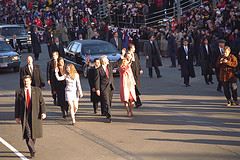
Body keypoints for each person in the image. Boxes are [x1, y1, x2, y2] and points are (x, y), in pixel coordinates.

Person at [15, 75, 46, 158]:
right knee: (28, 133)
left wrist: (43, 112)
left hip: (35, 114)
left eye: (28, 81)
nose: (26, 83)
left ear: (30, 81)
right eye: (25, 81)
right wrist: (17, 116)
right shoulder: (19, 92)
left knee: (34, 133)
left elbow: (41, 102)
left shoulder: (37, 90)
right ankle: (32, 150)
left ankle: (31, 147)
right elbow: (17, 105)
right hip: (25, 115)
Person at [95, 55, 121, 123]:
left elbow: (117, 63)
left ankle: (106, 111)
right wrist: (97, 89)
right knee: (106, 101)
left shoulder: (109, 66)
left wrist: (122, 55)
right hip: (104, 87)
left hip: (111, 86)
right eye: (107, 59)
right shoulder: (98, 70)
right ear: (103, 61)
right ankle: (109, 115)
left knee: (109, 100)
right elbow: (97, 80)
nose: (108, 60)